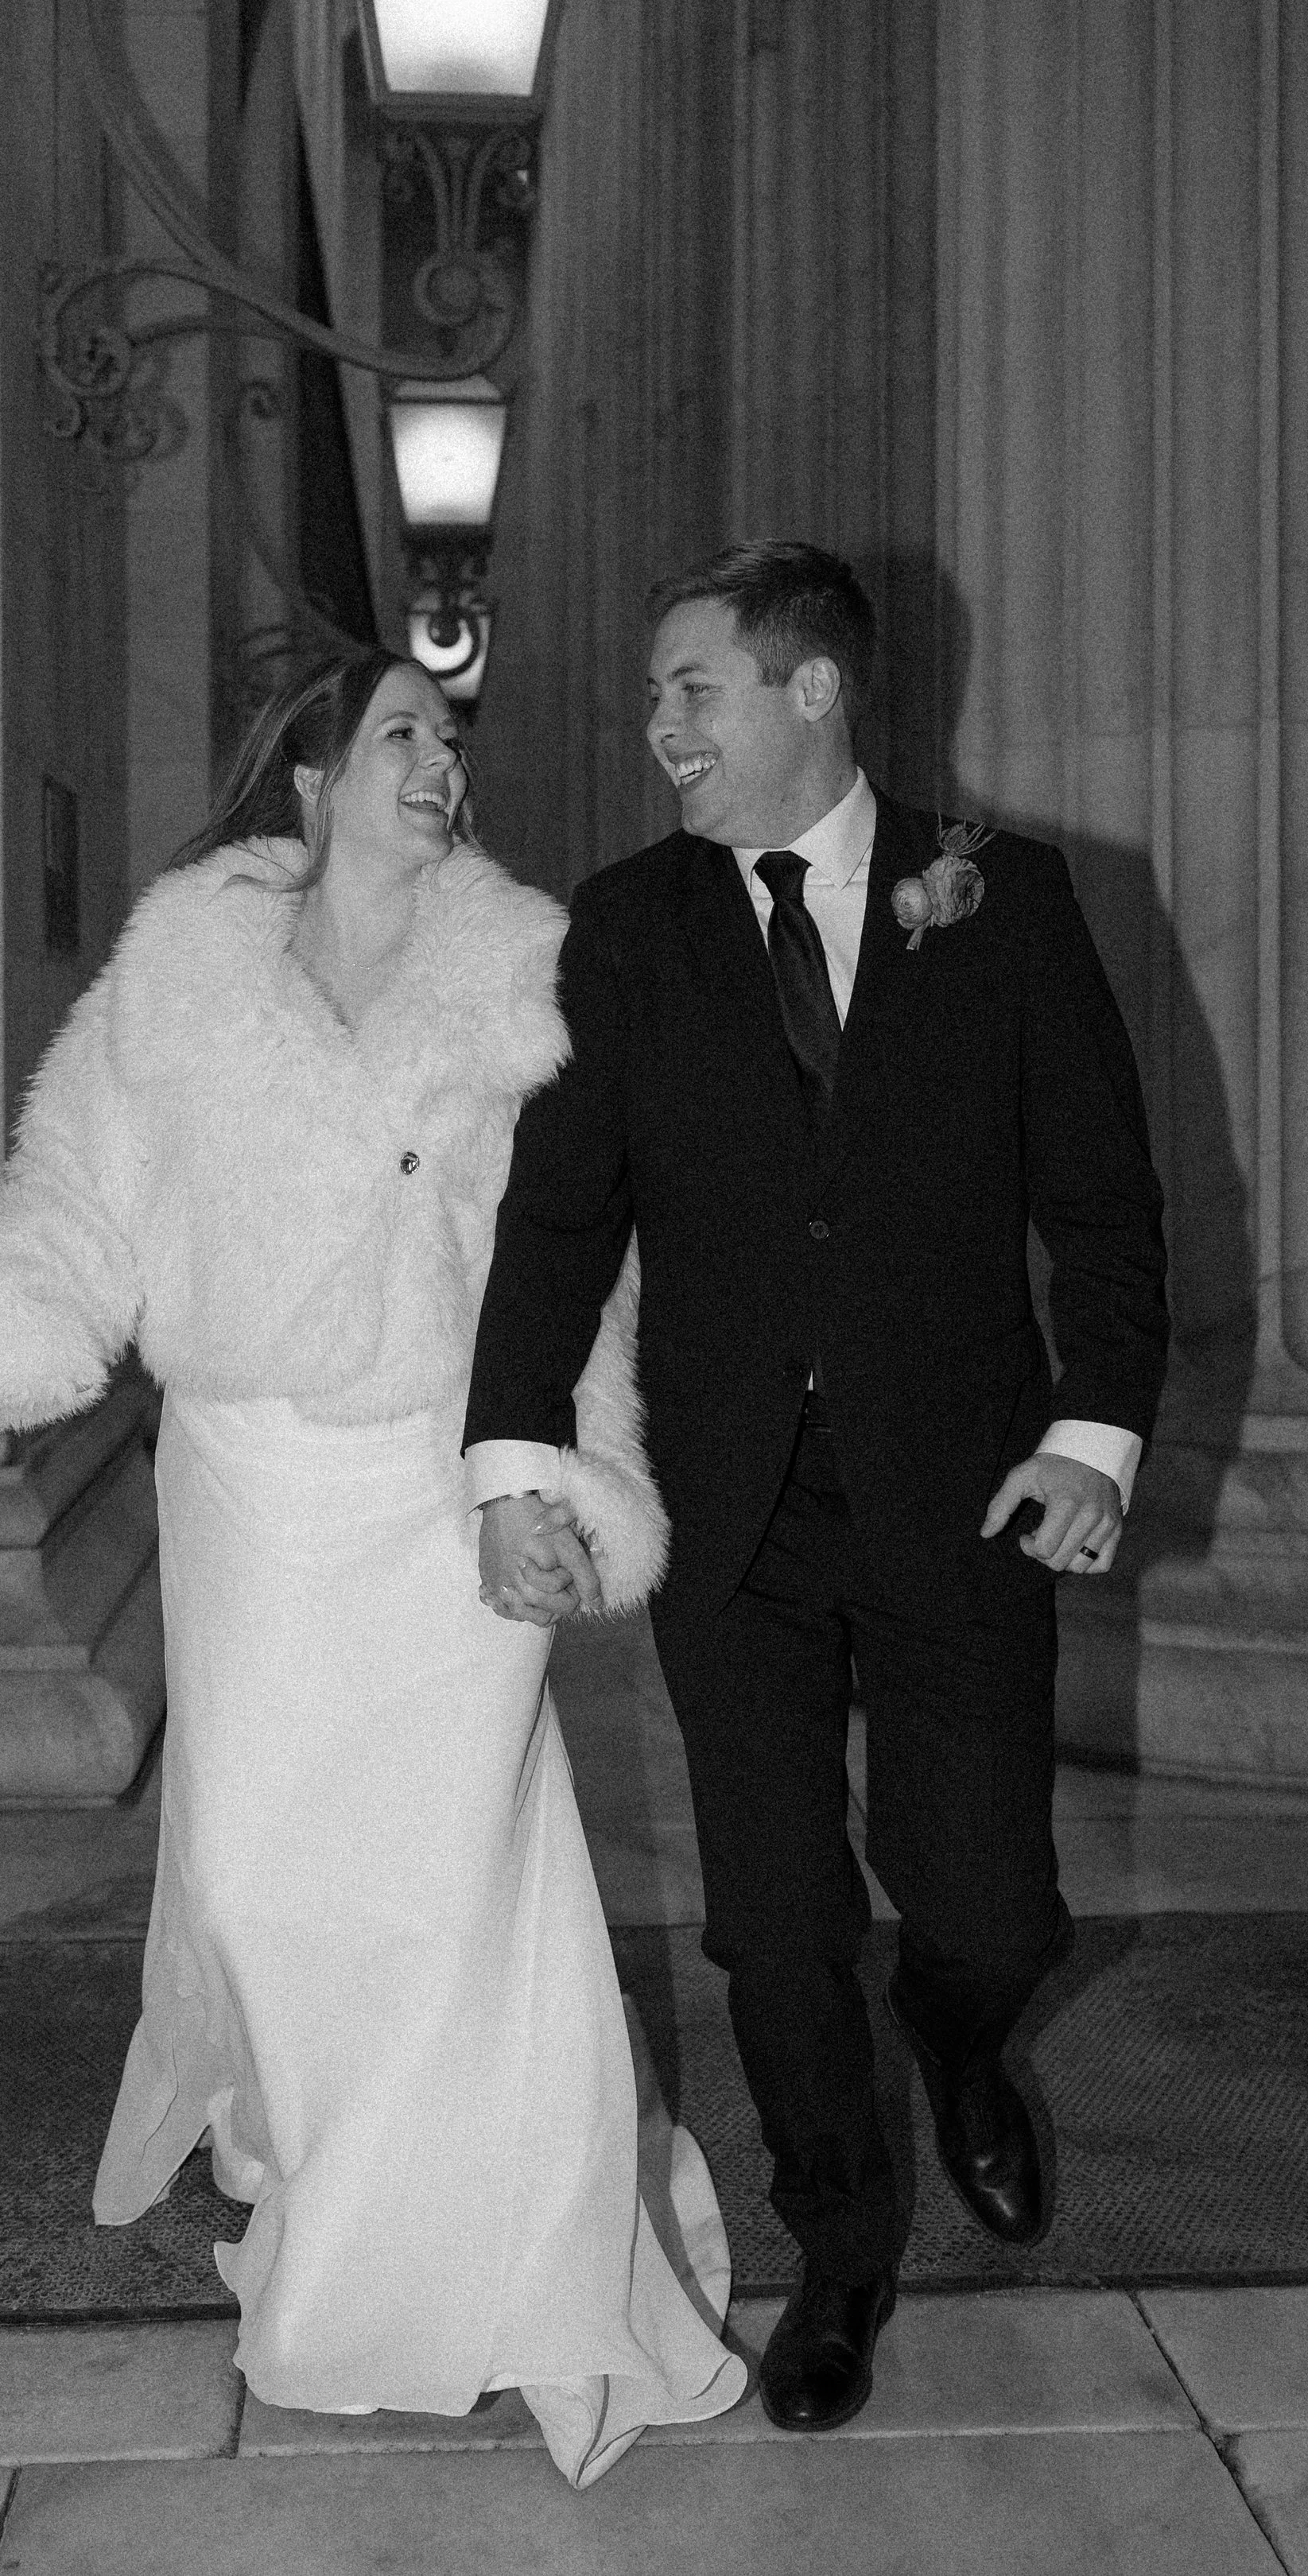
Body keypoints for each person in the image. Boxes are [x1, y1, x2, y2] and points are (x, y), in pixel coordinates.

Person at [0, 649, 746, 2486]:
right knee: (271, 1881)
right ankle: (328, 2152)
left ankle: (464, 2268)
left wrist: (569, 1473)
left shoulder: (524, 972)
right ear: (304, 777)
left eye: (452, 739)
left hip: (449, 1489)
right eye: (398, 736)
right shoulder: (181, 969)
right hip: (254, 1489)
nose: (440, 764)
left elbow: (575, 1261)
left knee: (452, 1899)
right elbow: (73, 1192)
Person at [465, 540, 1170, 2432]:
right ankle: (837, 2260)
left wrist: (1088, 1438)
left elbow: (1099, 1203)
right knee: (771, 1924)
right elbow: (558, 1215)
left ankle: (961, 2039)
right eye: (649, 696)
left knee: (988, 1905)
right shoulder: (623, 927)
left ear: (808, 693)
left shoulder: (1003, 901)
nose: (654, 728)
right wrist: (508, 1458)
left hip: (962, 1493)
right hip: (732, 1509)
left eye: (686, 689)